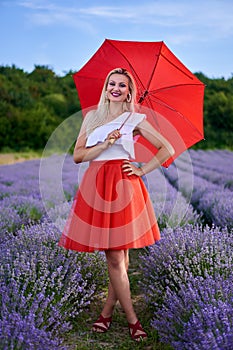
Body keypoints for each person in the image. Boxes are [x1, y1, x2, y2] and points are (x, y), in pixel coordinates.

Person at [59, 68, 175, 342]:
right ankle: (108, 311)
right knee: (117, 258)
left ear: (128, 91)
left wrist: (143, 170)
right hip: (96, 184)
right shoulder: (92, 117)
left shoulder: (135, 119)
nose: (115, 88)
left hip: (123, 184)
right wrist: (103, 145)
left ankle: (131, 319)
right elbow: (77, 156)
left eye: (122, 85)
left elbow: (167, 148)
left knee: (115, 256)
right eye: (111, 83)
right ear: (106, 87)